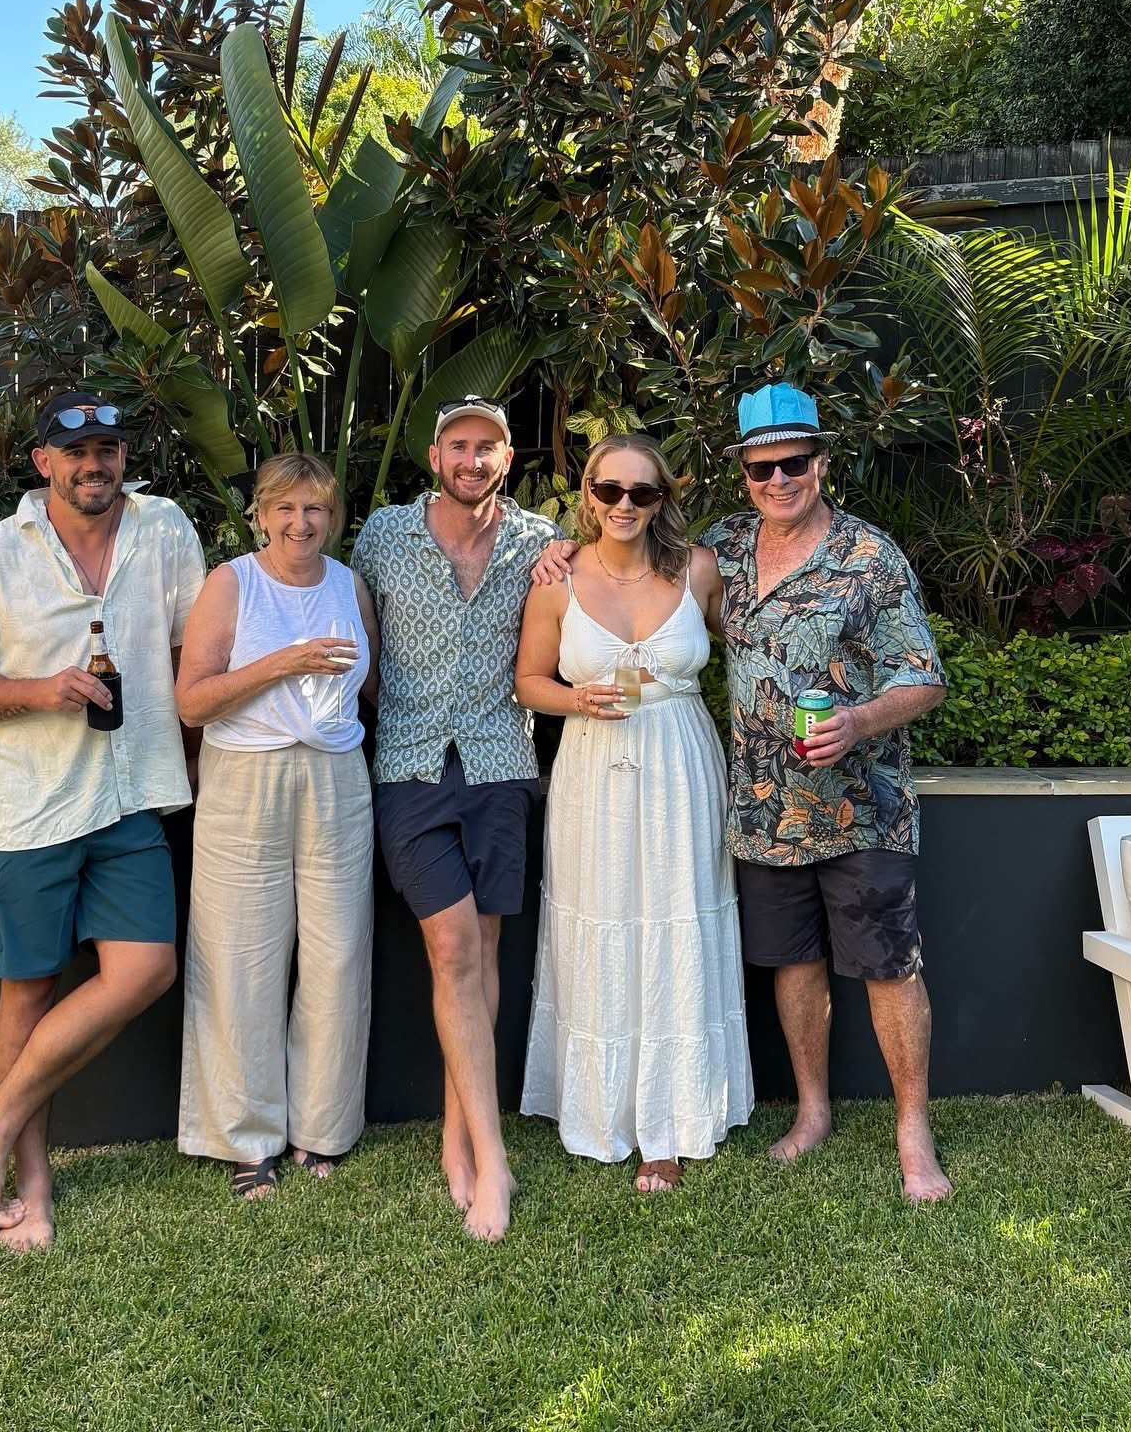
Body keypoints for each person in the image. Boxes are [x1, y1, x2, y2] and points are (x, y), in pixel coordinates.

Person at [0, 391, 206, 1252]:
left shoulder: (165, 530)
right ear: (43, 461)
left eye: (108, 449)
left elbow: (190, 654)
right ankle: (30, 1182)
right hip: (30, 807)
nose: (95, 465)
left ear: (123, 458)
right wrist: (40, 691)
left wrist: (195, 762)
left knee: (146, 970)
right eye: (76, 452)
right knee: (30, 990)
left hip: (130, 797)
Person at [703, 382, 952, 1201]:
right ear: (744, 473)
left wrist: (859, 720)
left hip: (861, 806)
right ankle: (812, 1112)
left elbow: (924, 677)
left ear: (821, 462)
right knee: (793, 961)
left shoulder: (870, 556)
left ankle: (912, 1130)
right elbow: (633, 567)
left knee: (889, 965)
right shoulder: (723, 549)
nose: (778, 480)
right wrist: (562, 552)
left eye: (794, 463)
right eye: (762, 468)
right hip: (764, 808)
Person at [350, 394, 570, 1242]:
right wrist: (399, 711)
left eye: (488, 447)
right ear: (435, 456)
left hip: (501, 766)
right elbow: (363, 645)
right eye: (458, 445)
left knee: (482, 948)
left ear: (507, 460)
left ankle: (459, 1135)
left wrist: (566, 556)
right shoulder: (382, 537)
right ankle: (495, 1160)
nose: (472, 459)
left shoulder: (539, 544)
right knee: (449, 948)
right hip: (409, 767)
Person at [514, 434, 753, 1191]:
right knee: (604, 919)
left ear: (661, 501)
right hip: (592, 768)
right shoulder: (556, 579)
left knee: (677, 919)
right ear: (588, 495)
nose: (624, 504)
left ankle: (670, 1122)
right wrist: (575, 699)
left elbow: (758, 647)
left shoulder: (699, 571)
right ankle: (600, 1107)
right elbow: (528, 681)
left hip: (681, 765)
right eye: (609, 489)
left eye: (641, 492)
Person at [174, 454, 380, 1199]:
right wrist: (283, 663)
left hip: (336, 778)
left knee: (337, 954)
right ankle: (245, 1137)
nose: (301, 523)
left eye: (315, 509)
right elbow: (192, 701)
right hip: (244, 780)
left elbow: (372, 684)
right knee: (240, 958)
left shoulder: (348, 584)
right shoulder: (232, 583)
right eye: (285, 509)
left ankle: (322, 1126)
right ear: (261, 515)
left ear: (334, 517)